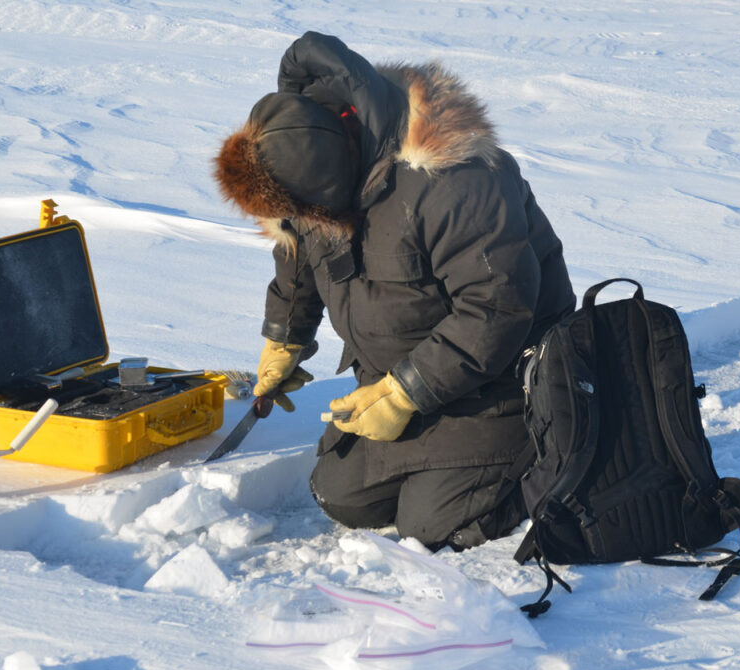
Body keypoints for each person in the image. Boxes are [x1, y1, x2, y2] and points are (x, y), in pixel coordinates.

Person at [214, 31, 575, 551]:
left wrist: (406, 392)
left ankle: (549, 454)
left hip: (505, 383)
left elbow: (496, 308)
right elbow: (300, 252)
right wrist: (284, 337)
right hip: (400, 372)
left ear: (328, 191)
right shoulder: (319, 159)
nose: (293, 222)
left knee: (433, 525)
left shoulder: (453, 181)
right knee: (340, 496)